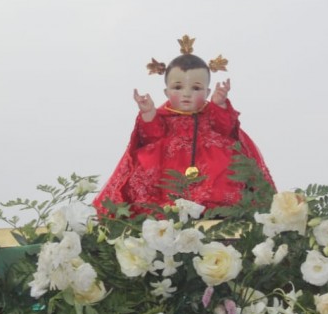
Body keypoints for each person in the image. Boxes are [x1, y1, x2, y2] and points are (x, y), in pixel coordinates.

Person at [94, 43, 274, 213]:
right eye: (178, 87)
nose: (186, 93)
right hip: (168, 170)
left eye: (196, 88)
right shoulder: (163, 117)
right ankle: (163, 213)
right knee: (147, 161)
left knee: (226, 165)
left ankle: (218, 211)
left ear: (207, 92)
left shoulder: (210, 115)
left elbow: (226, 128)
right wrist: (148, 112)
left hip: (211, 165)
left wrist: (220, 105)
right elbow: (150, 135)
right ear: (166, 92)